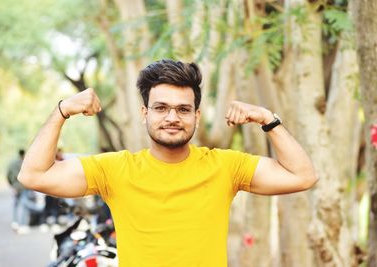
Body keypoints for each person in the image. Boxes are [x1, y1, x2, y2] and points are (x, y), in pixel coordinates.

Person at [18, 59, 318, 266]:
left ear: (196, 116)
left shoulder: (226, 167)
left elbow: (302, 176)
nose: (173, 117)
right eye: (161, 108)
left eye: (183, 109)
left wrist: (268, 120)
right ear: (144, 112)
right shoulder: (114, 170)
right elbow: (33, 175)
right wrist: (62, 111)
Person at [7, 149, 30, 233]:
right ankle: (23, 224)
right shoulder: (25, 164)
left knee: (15, 205)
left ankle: (15, 222)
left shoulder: (12, 164)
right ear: (24, 155)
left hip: (15, 187)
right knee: (24, 206)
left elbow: (8, 175)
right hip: (24, 187)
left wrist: (12, 185)